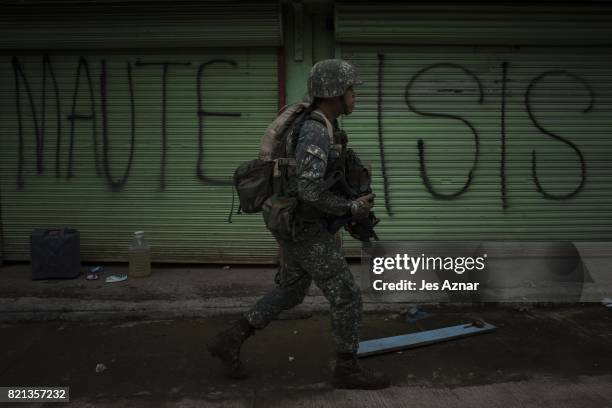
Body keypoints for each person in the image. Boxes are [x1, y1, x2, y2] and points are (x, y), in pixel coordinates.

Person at [207, 59, 390, 390]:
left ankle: (230, 339)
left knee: (291, 290)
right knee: (347, 294)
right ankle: (347, 368)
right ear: (336, 92)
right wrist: (350, 207)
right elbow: (308, 191)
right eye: (351, 89)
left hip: (295, 223)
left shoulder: (319, 125)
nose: (354, 96)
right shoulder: (315, 131)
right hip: (305, 227)